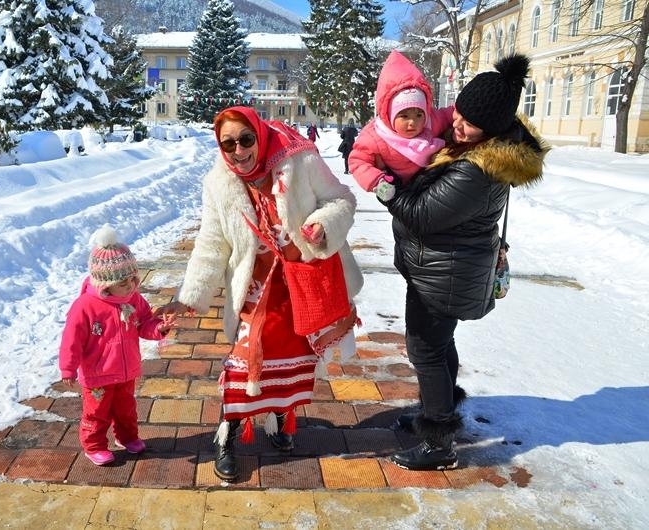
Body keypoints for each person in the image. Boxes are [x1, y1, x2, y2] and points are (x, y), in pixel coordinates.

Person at [154, 106, 363, 482]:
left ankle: (282, 419)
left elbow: (342, 200)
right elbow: (211, 243)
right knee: (244, 362)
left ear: (259, 134)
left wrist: (320, 225)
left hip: (301, 284)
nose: (239, 150)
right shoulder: (218, 183)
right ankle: (228, 437)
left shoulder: (299, 160)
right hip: (253, 288)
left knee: (294, 357)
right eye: (228, 143)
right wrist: (189, 296)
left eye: (246, 139)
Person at [379, 54, 549, 471]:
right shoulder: (482, 149)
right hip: (444, 269)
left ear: (489, 130)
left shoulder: (477, 170)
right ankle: (439, 412)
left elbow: (421, 213)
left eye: (469, 123)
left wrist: (387, 189)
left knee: (426, 349)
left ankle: (438, 443)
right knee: (439, 344)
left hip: (444, 274)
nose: (457, 124)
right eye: (460, 113)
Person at [59, 225, 176, 466]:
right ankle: (94, 445)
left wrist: (158, 329)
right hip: (98, 375)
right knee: (97, 412)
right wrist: (68, 368)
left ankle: (127, 437)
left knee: (126, 409)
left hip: (126, 371)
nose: (132, 285)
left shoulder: (133, 299)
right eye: (124, 282)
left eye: (134, 278)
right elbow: (72, 340)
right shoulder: (85, 307)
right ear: (105, 283)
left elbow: (144, 323)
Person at [349, 50, 454, 199]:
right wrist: (377, 182)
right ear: (390, 115)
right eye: (404, 116)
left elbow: (450, 114)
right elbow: (357, 161)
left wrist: (467, 109)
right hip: (402, 194)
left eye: (419, 115)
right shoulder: (376, 135)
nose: (413, 122)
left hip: (430, 191)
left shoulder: (431, 122)